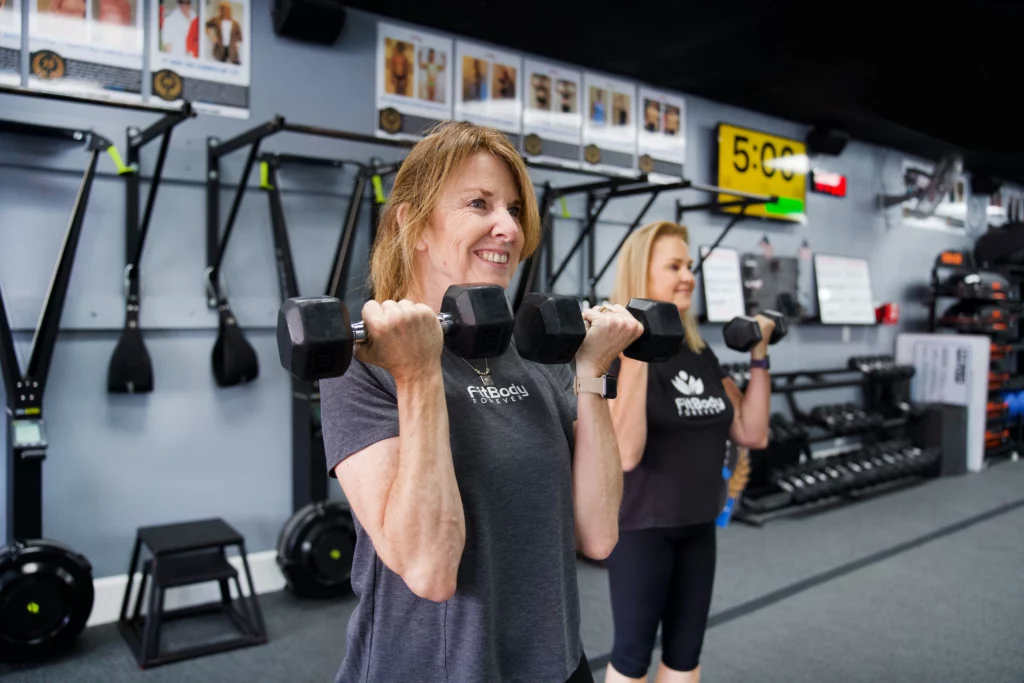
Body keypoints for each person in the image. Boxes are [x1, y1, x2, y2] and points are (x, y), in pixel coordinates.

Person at [319, 121, 645, 683]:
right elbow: (429, 570)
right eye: (479, 203)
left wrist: (591, 372)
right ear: (413, 224)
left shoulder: (534, 354)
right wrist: (419, 372)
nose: (508, 228)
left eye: (515, 210)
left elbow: (598, 534)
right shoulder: (364, 362)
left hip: (559, 666)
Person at [603, 221, 772, 683]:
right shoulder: (617, 356)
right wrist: (637, 342)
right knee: (632, 656)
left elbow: (752, 432)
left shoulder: (699, 354)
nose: (688, 275)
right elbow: (626, 454)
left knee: (685, 656)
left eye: (690, 265)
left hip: (700, 525)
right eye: (674, 266)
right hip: (642, 529)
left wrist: (760, 355)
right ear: (643, 274)